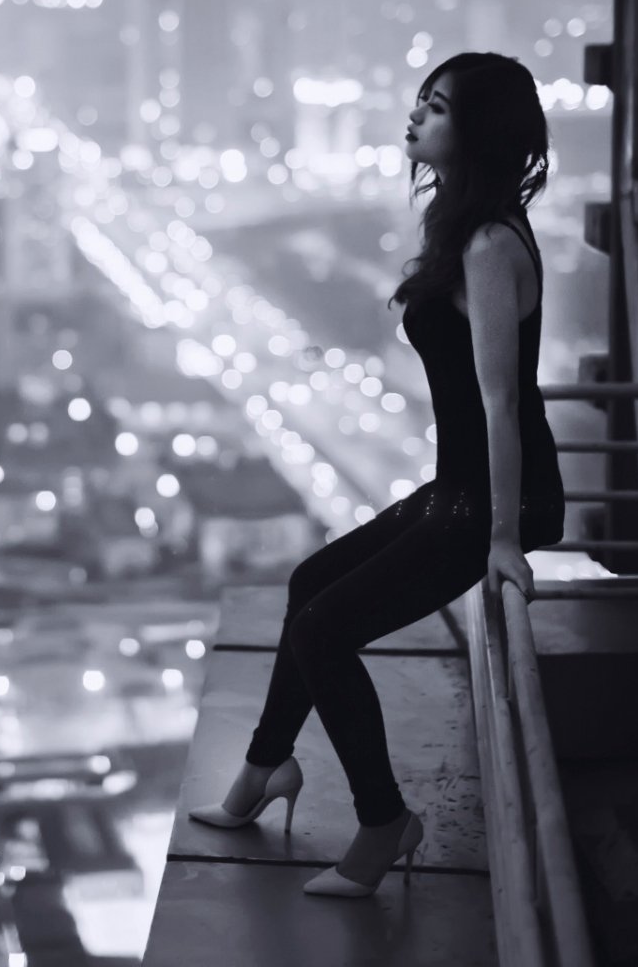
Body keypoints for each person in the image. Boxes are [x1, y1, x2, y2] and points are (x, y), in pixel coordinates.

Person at [184, 51, 566, 897]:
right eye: (420, 103)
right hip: (459, 487)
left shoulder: (493, 245)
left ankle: (383, 818)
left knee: (325, 628)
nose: (414, 119)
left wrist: (505, 538)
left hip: (495, 499)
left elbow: (504, 403)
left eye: (434, 108)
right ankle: (263, 770)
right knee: (309, 581)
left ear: (476, 132)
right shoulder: (466, 229)